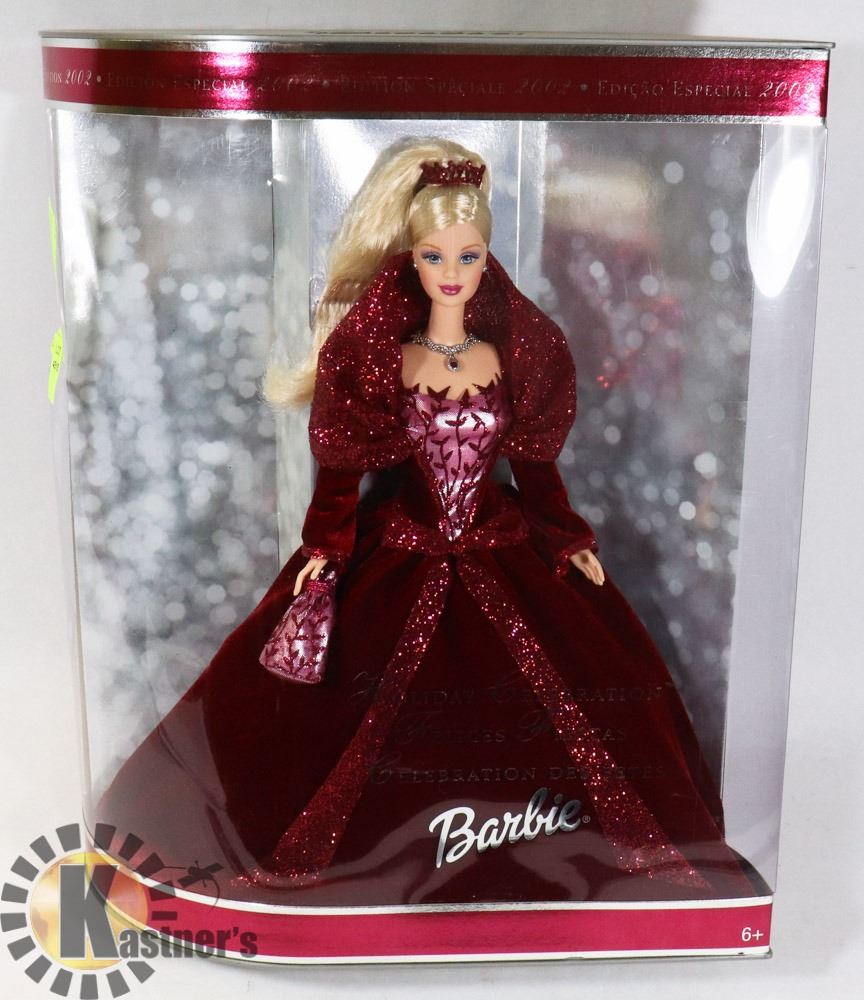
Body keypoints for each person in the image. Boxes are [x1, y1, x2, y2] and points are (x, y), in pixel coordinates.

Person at [96, 137, 758, 905]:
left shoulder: (509, 356)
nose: (452, 272)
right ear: (411, 259)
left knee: (559, 705)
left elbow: (537, 471)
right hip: (404, 549)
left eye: (468, 256)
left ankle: (540, 853)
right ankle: (370, 867)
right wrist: (326, 548)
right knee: (362, 715)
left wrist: (568, 538)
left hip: (503, 544)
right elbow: (341, 475)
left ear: (485, 258)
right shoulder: (388, 357)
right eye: (435, 256)